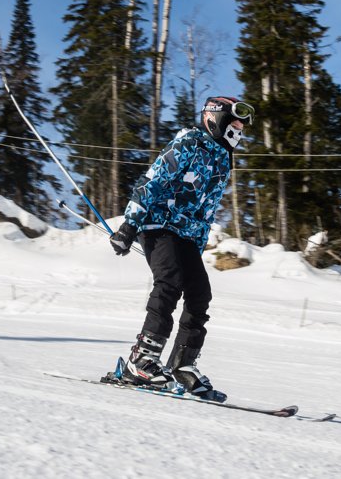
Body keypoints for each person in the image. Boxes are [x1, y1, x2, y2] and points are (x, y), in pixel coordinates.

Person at [108, 96, 255, 402]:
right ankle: (141, 362)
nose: (239, 130)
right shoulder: (189, 143)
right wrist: (128, 225)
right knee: (169, 282)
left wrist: (197, 246)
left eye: (242, 126)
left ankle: (183, 365)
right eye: (236, 123)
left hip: (187, 236)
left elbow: (206, 210)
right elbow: (153, 181)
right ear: (216, 118)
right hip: (157, 225)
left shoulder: (223, 158)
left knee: (200, 293)